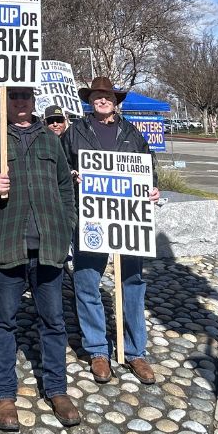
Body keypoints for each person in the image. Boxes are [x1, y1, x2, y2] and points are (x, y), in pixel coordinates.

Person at [0, 86, 80, 431]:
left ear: (34, 101)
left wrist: (67, 223)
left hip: (48, 246)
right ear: (5, 100)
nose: (19, 102)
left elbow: (65, 186)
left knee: (54, 321)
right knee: (3, 322)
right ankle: (4, 394)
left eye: (25, 96)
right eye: (13, 96)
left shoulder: (50, 139)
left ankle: (57, 389)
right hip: (8, 243)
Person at [64, 76, 160, 386]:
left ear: (115, 101)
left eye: (106, 96)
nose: (102, 100)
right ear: (90, 101)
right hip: (90, 217)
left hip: (128, 219)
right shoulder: (75, 131)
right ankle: (97, 350)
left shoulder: (131, 133)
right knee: (86, 281)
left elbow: (149, 165)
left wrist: (153, 187)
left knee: (132, 282)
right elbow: (61, 166)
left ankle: (135, 351)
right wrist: (72, 174)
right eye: (96, 96)